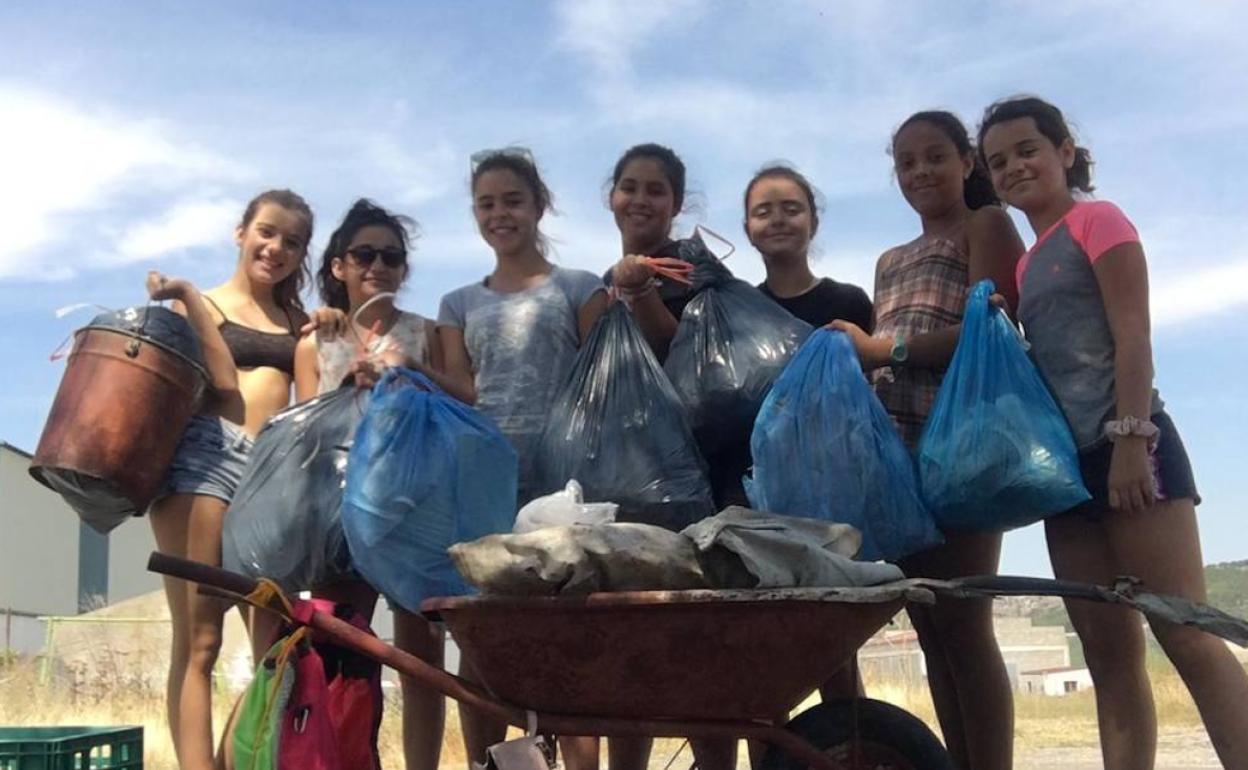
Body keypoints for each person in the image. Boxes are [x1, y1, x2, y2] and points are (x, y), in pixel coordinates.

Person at [979, 95, 1248, 770]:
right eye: (998, 161)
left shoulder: (1098, 221)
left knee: (1186, 633)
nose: (1014, 168)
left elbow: (1134, 336)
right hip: (1068, 474)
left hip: (1131, 445)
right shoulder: (1026, 263)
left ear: (1065, 152)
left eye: (1028, 150)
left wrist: (1132, 439)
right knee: (1108, 655)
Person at [831, 111, 1023, 770]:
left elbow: (990, 328)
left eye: (935, 156)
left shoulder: (986, 224)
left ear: (967, 162)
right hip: (898, 450)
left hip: (963, 442)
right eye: (906, 163)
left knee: (965, 621)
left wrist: (880, 349)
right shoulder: (888, 261)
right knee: (930, 625)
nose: (920, 172)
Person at [437, 148, 608, 769]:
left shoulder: (580, 287)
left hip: (566, 486)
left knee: (573, 638)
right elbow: (463, 390)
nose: (499, 214)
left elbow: (604, 383)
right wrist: (409, 369)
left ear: (540, 205)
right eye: (486, 204)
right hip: (488, 487)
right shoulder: (457, 303)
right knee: (486, 641)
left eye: (512, 200)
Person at [147, 189, 314, 770]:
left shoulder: (297, 321)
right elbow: (221, 383)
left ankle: (227, 762)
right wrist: (190, 298)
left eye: (293, 242)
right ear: (241, 232)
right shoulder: (199, 305)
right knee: (201, 641)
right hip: (203, 462)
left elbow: (310, 402)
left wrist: (329, 325)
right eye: (267, 232)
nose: (277, 248)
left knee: (277, 647)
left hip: (269, 475)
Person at [292, 198, 449, 770]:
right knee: (340, 655)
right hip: (339, 516)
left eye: (391, 256)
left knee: (422, 663)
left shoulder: (427, 333)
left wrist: (410, 374)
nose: (378, 266)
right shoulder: (316, 340)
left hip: (415, 511)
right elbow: (304, 433)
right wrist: (347, 387)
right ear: (339, 266)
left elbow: (458, 409)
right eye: (364, 254)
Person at [745, 163, 873, 329]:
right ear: (747, 231)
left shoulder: (850, 303)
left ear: (814, 224)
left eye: (791, 210)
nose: (777, 220)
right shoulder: (740, 312)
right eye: (763, 213)